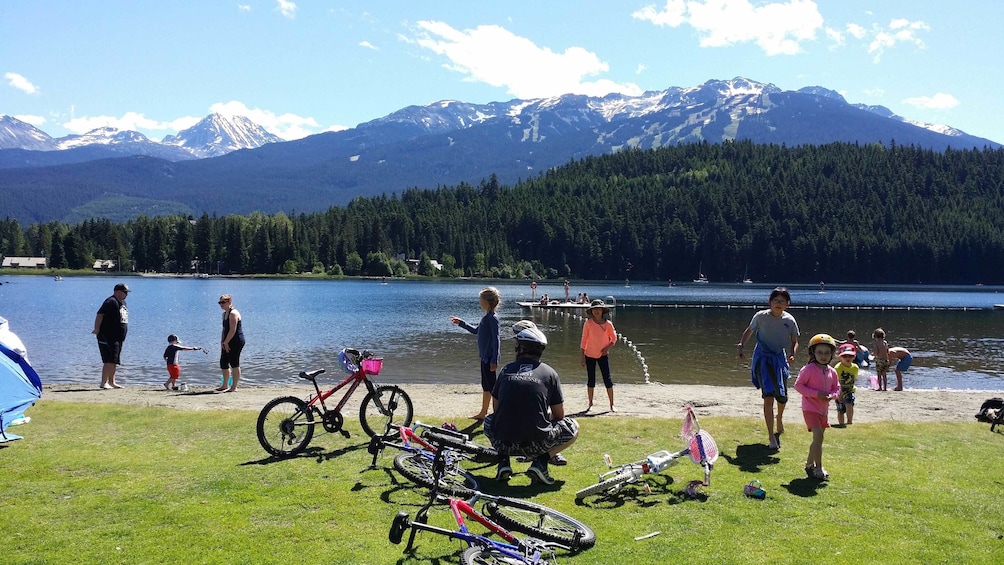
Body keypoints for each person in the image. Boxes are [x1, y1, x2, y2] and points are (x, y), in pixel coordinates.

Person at [484, 321, 578, 486]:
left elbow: (496, 409)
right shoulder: (550, 373)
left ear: (520, 348)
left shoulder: (506, 370)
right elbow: (559, 415)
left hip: (503, 443)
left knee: (489, 420)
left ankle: (503, 462)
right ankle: (540, 462)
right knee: (572, 426)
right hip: (536, 445)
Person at [737, 287, 799, 450]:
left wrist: (792, 354)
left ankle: (779, 418)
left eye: (782, 301)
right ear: (770, 302)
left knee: (782, 396)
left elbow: (794, 340)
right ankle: (771, 436)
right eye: (776, 300)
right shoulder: (760, 316)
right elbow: (749, 331)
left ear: (788, 304)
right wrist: (741, 346)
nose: (778, 304)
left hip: (779, 359)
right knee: (768, 396)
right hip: (762, 359)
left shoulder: (789, 320)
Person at [794, 334, 840, 480]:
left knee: (818, 439)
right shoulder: (808, 369)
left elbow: (837, 388)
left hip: (823, 410)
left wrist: (831, 396)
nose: (823, 356)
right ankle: (818, 468)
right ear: (813, 352)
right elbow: (798, 386)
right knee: (818, 436)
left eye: (827, 353)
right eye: (820, 352)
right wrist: (815, 394)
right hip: (810, 408)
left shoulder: (832, 371)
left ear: (832, 354)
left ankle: (809, 463)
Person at [451, 287, 501, 420]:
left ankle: (498, 415)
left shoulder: (492, 318)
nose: (479, 301)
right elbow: (475, 331)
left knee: (493, 388)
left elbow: (496, 340)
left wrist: (495, 359)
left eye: (481, 299)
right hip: (484, 358)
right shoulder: (487, 317)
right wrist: (461, 323)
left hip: (490, 358)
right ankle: (483, 412)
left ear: (488, 301)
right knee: (486, 386)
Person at [580, 299, 617, 412]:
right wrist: (582, 357)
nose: (596, 311)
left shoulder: (608, 324)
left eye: (598, 309)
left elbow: (614, 338)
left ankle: (612, 405)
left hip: (603, 355)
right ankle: (590, 404)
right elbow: (584, 340)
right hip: (589, 354)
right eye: (594, 309)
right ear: (592, 311)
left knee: (608, 380)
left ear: (602, 311)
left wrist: (607, 348)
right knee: (591, 380)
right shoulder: (588, 323)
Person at [93, 283, 130, 389]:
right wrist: (96, 329)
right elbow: (100, 315)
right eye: (125, 292)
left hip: (118, 337)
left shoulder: (122, 302)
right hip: (108, 335)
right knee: (108, 359)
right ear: (118, 291)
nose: (126, 294)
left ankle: (112, 381)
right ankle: (104, 382)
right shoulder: (110, 301)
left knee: (114, 360)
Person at [217, 294, 245, 392]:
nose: (221, 304)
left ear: (229, 302)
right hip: (227, 340)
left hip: (236, 340)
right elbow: (224, 329)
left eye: (223, 302)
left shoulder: (234, 313)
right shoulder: (224, 314)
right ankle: (225, 385)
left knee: (234, 362)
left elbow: (232, 330)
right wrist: (222, 342)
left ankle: (234, 387)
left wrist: (226, 342)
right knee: (223, 362)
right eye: (220, 302)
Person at [833, 343, 859, 425]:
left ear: (854, 356)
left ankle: (849, 422)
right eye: (845, 356)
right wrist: (839, 394)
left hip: (850, 390)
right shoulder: (837, 368)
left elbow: (854, 379)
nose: (847, 358)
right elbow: (835, 382)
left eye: (850, 356)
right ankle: (841, 423)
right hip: (839, 391)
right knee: (840, 410)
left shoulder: (855, 368)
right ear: (840, 357)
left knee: (849, 404)